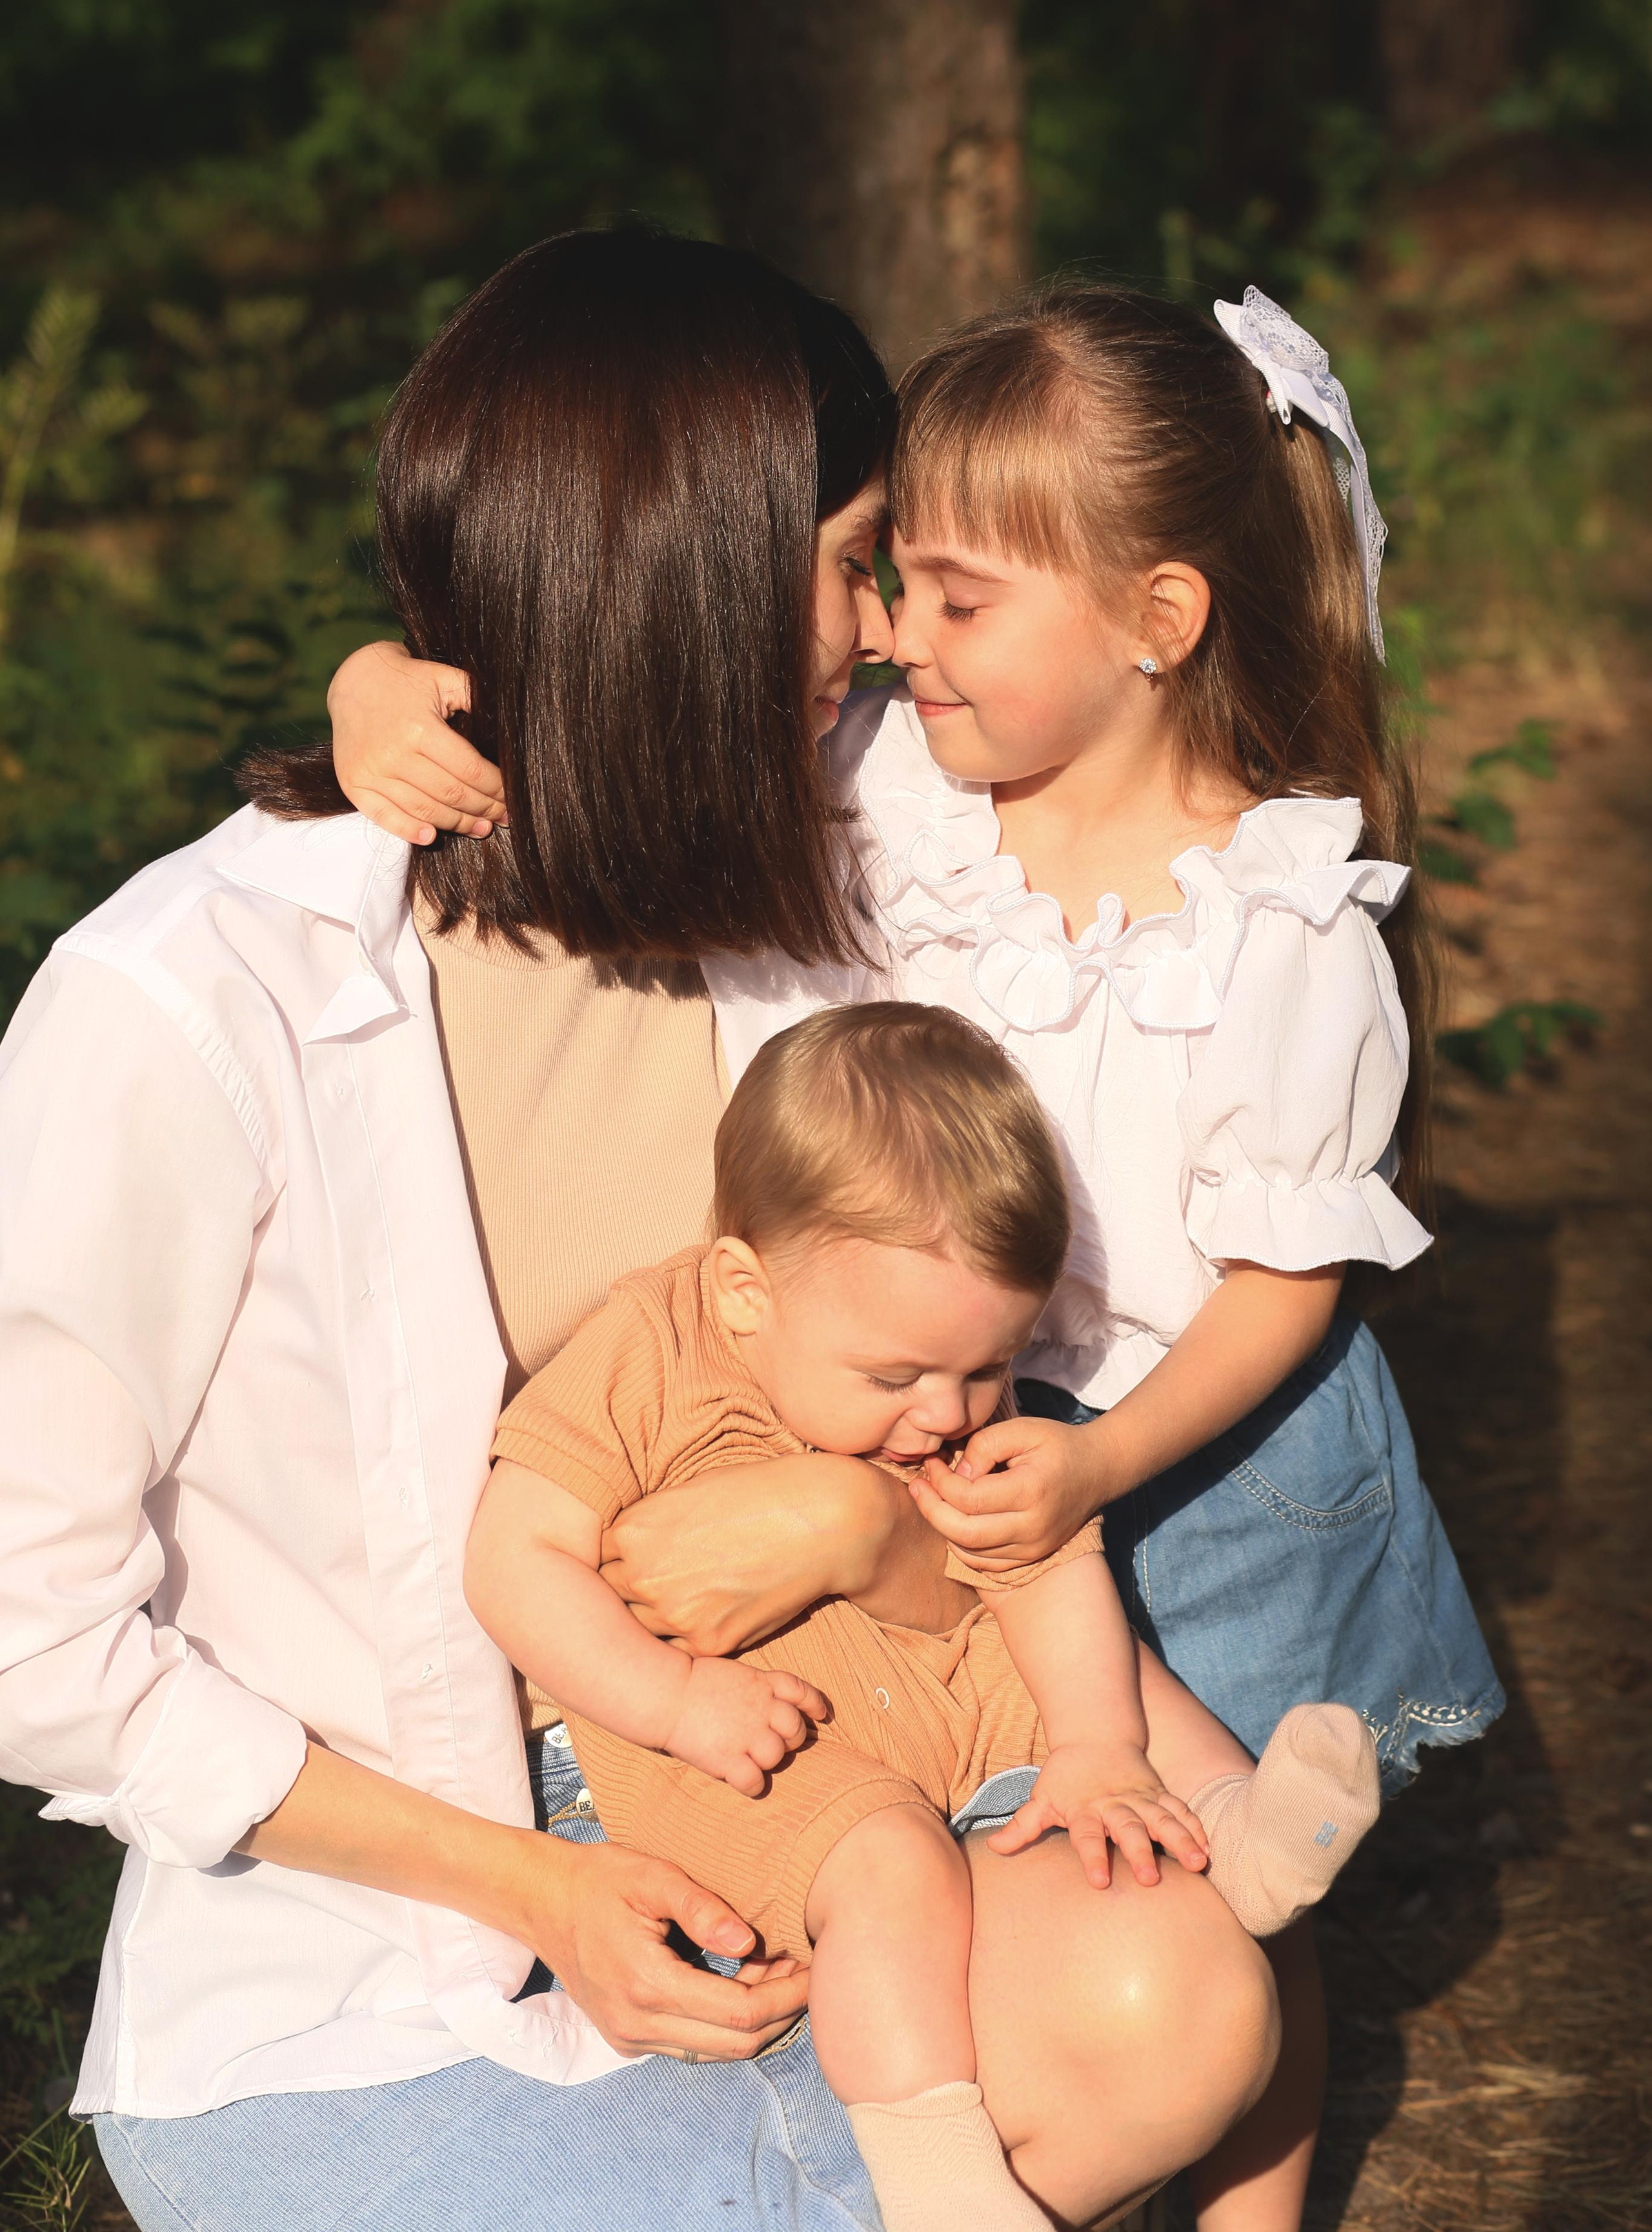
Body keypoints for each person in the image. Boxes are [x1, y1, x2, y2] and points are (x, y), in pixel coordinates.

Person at [0, 231, 1279, 2232]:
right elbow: (30, 1634)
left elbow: (1185, 721)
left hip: (825, 1785)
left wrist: (865, 1529)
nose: (876, 636)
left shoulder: (821, 871)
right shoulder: (189, 1006)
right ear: (681, 582)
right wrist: (535, 1885)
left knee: (1176, 1999)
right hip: (393, 1939)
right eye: (853, 560)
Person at [335, 279, 1503, 2232]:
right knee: (1103, 1790)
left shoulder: (1281, 918)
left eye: (955, 600)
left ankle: (1251, 2203)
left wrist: (1111, 1464)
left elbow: (1295, 1282)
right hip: (964, 1397)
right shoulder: (902, 776)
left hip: (1195, 1436)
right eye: (895, 586)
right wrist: (387, 680)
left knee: (1212, 1882)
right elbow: (632, 711)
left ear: (1161, 621)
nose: (893, 634)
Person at [470, 1000, 1382, 2232]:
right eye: (897, 1376)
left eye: (989, 1366)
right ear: (746, 1290)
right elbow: (513, 1560)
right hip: (747, 1757)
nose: (947, 1412)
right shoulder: (649, 1346)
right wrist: (677, 1699)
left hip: (926, 1685)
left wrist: (1097, 1744)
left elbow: (1043, 1580)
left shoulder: (930, 1394)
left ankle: (1234, 1831)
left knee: (1099, 1656)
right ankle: (939, 2175)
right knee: (890, 1859)